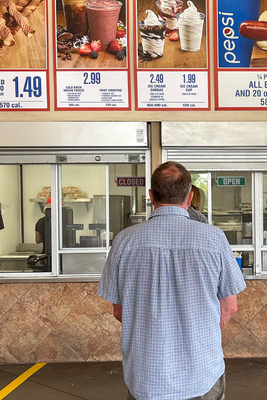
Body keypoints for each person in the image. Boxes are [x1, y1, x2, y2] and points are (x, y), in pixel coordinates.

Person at [98, 161, 246, 399]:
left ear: (150, 197)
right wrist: (198, 332)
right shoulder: (214, 239)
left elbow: (119, 310)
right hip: (202, 373)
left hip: (146, 377)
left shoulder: (124, 241)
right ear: (189, 197)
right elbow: (230, 306)